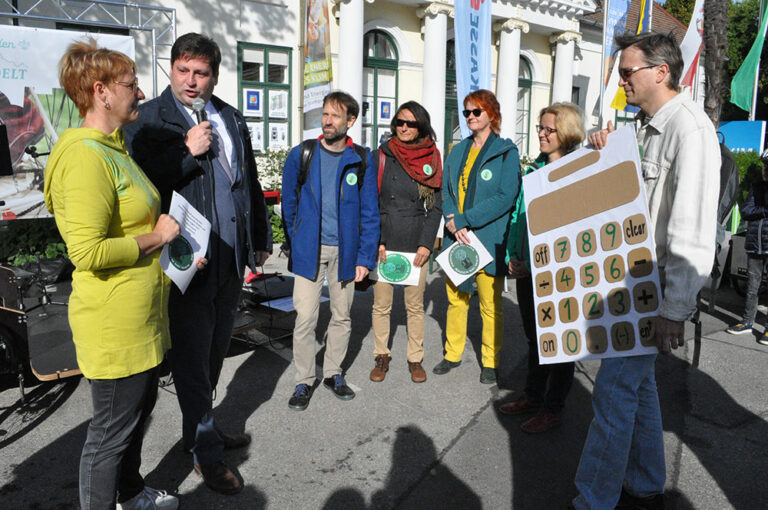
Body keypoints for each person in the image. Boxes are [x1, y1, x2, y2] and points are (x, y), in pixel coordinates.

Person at [572, 32, 719, 510]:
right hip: (630, 289)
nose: (621, 82)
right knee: (639, 389)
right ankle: (647, 481)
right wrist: (602, 148)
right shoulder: (640, 126)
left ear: (661, 71)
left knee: (614, 395)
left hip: (652, 292)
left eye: (627, 72)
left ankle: (593, 500)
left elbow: (692, 228)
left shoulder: (689, 129)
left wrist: (675, 308)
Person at [124, 33, 272, 495]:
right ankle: (206, 456)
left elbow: (246, 181)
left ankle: (198, 431)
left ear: (214, 75)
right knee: (191, 363)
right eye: (183, 70)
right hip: (188, 262)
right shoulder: (148, 119)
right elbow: (144, 186)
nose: (191, 81)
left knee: (214, 356)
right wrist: (186, 150)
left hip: (230, 258)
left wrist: (260, 237)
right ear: (171, 69)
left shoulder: (227, 114)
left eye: (201, 73)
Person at [44, 39, 181, 510]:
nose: (140, 92)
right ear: (101, 91)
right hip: (115, 322)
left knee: (133, 419)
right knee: (107, 437)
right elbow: (87, 251)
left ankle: (131, 493)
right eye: (130, 84)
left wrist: (177, 250)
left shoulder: (113, 148)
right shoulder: (86, 156)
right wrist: (158, 239)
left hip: (140, 313)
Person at [281, 91, 379, 410]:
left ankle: (334, 373)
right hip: (311, 250)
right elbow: (290, 203)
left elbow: (369, 212)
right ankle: (304, 380)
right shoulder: (303, 154)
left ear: (350, 121)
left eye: (335, 116)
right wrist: (298, 239)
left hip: (346, 253)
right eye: (325, 114)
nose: (327, 121)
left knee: (342, 315)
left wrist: (365, 258)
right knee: (306, 318)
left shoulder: (361, 159)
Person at [500, 102, 585, 433]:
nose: (541, 133)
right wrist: (512, 254)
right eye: (540, 127)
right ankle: (533, 396)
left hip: (559, 272)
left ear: (565, 132)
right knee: (535, 339)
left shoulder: (579, 170)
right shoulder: (534, 169)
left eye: (548, 129)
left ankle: (554, 407)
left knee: (559, 343)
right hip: (527, 270)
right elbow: (517, 216)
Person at [433, 89, 520, 384]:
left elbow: (506, 196)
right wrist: (453, 221)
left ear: (491, 115)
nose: (469, 116)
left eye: (476, 112)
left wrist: (466, 219)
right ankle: (452, 353)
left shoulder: (506, 152)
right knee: (456, 298)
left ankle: (490, 361)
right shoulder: (457, 150)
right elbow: (445, 191)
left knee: (489, 304)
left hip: (487, 237)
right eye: (466, 112)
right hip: (457, 237)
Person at [369, 101, 443, 383]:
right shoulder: (382, 155)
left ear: (421, 126)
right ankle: (382, 355)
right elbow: (371, 202)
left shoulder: (432, 158)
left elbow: (435, 206)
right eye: (399, 122)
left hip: (416, 240)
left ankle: (415, 358)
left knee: (414, 306)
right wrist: (377, 240)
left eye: (410, 123)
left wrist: (427, 243)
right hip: (384, 241)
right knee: (382, 305)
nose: (403, 127)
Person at [726, 149, 768, 345]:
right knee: (752, 288)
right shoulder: (757, 186)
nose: (765, 170)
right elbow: (746, 211)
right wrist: (763, 210)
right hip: (755, 245)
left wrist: (758, 211)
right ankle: (747, 321)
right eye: (764, 167)